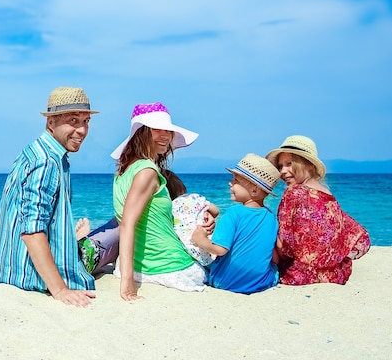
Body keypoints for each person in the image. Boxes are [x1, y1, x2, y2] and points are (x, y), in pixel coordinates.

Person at [0, 87, 99, 307]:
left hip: (9, 270)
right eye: (73, 120)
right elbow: (32, 232)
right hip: (29, 278)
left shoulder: (35, 152)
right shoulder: (46, 162)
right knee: (115, 231)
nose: (82, 130)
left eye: (86, 121)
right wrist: (60, 290)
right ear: (51, 123)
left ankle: (75, 237)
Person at [110, 101, 212, 300]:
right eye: (157, 129)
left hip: (138, 263)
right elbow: (127, 224)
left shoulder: (122, 172)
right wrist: (127, 284)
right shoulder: (147, 171)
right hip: (168, 265)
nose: (165, 135)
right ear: (141, 132)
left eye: (168, 130)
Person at [265, 135, 371, 285]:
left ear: (309, 165)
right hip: (335, 274)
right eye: (280, 166)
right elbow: (358, 236)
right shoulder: (328, 196)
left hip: (302, 276)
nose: (283, 171)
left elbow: (283, 246)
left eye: (289, 164)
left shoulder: (293, 193)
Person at [192, 153, 281, 294]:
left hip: (224, 283)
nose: (230, 183)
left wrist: (200, 239)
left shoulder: (234, 213)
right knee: (272, 269)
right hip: (261, 284)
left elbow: (220, 249)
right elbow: (274, 257)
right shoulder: (271, 218)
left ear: (254, 190)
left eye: (236, 181)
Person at [162, 169, 219, 267]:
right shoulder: (193, 198)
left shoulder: (169, 208)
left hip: (190, 252)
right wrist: (207, 211)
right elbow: (216, 211)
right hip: (209, 243)